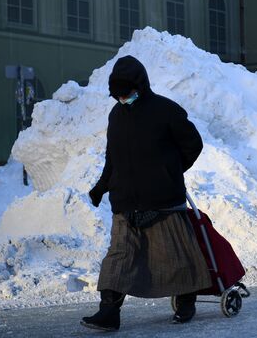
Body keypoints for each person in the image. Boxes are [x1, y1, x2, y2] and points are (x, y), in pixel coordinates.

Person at [81, 55, 211, 331]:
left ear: (140, 85)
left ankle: (186, 303)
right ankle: (108, 312)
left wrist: (171, 171)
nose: (122, 99)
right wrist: (101, 187)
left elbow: (193, 145)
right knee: (118, 257)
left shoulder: (166, 110)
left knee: (176, 257)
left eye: (126, 93)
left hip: (162, 200)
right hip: (125, 201)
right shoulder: (116, 115)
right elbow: (112, 158)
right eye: (117, 95)